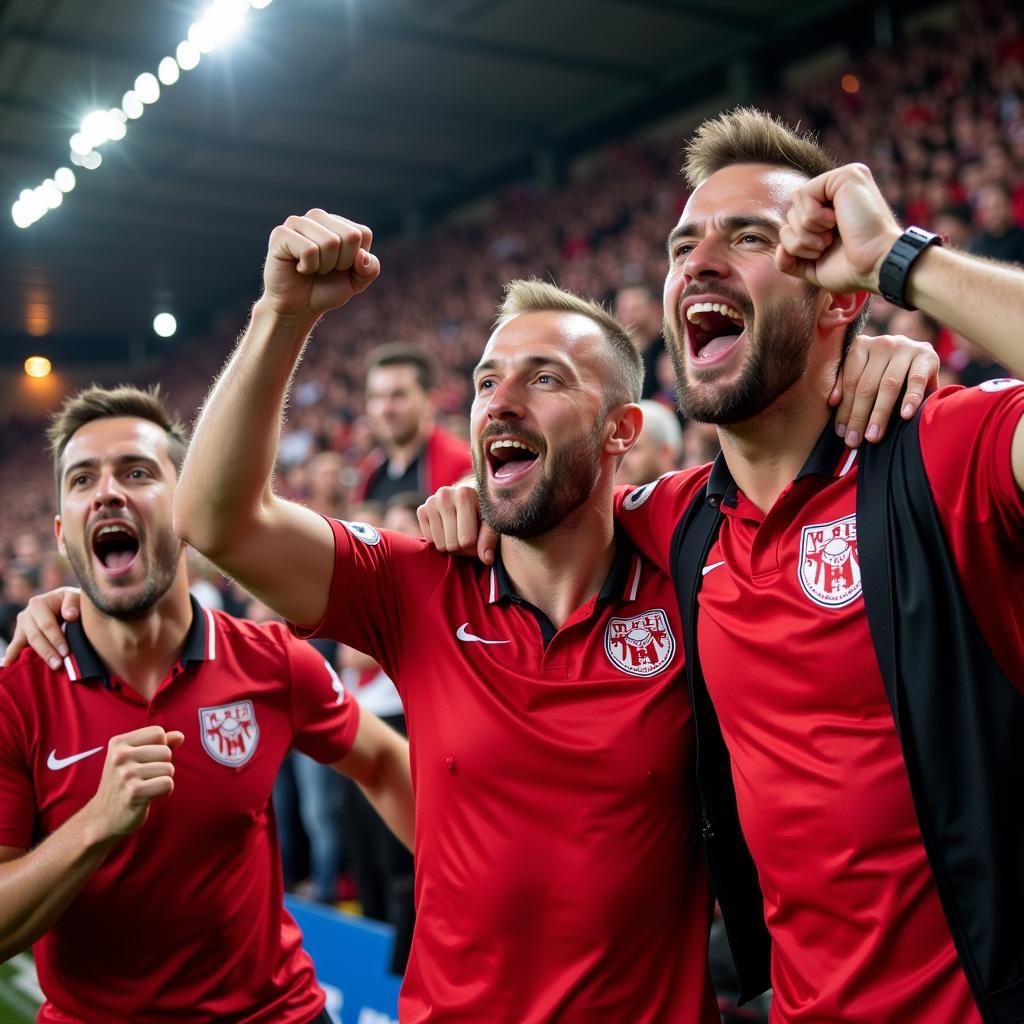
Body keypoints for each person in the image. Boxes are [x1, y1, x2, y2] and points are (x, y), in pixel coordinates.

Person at [11, 226, 935, 1021]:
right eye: (488, 379)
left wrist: (867, 361)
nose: (500, 398)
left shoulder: (693, 561)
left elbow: (784, 447)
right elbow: (215, 519)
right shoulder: (417, 585)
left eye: (544, 378)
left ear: (619, 431)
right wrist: (281, 315)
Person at [420, 108, 1023, 1023]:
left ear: (838, 293)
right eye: (682, 244)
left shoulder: (945, 456)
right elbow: (552, 502)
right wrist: (475, 505)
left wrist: (904, 262)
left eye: (751, 237)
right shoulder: (676, 525)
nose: (698, 262)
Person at [0, 384, 413, 1024]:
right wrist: (94, 824)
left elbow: (387, 765)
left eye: (137, 472)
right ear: (63, 531)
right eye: (83, 479)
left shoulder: (270, 660)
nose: (108, 491)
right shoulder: (18, 693)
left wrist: (478, 898)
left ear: (186, 510)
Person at [356, 342, 472, 504]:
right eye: (376, 397)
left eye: (398, 395)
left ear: (431, 401)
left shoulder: (464, 467)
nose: (385, 409)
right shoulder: (369, 472)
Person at [617, 398, 684, 486]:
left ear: (666, 454)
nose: (623, 461)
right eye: (621, 451)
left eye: (634, 449)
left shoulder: (692, 497)